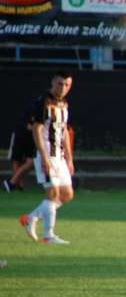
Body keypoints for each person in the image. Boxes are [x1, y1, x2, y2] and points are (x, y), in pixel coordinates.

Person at [18, 70, 75, 244]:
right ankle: (49, 235)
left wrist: (70, 158)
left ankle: (31, 218)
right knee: (53, 192)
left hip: (60, 155)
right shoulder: (44, 102)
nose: (63, 87)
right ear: (52, 82)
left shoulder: (64, 103)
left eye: (67, 84)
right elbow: (37, 129)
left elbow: (64, 131)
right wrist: (44, 157)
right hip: (46, 154)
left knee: (67, 194)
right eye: (60, 83)